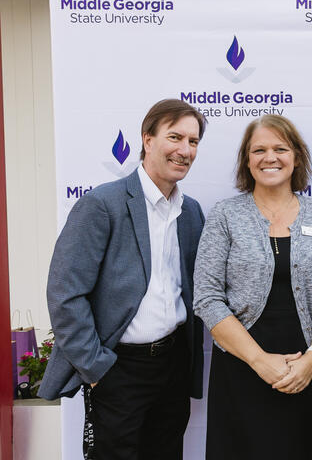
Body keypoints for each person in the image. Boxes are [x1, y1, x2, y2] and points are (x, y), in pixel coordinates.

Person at [39, 99, 206, 459]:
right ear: (147, 139)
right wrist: (97, 368)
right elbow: (65, 294)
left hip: (173, 364)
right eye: (175, 137)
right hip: (118, 368)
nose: (185, 150)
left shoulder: (190, 211)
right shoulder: (103, 204)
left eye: (193, 142)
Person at [193, 114, 312, 459]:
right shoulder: (226, 216)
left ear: (296, 157)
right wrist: (260, 361)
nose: (269, 157)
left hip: (306, 371)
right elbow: (207, 297)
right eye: (258, 149)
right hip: (241, 369)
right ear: (247, 160)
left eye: (280, 148)